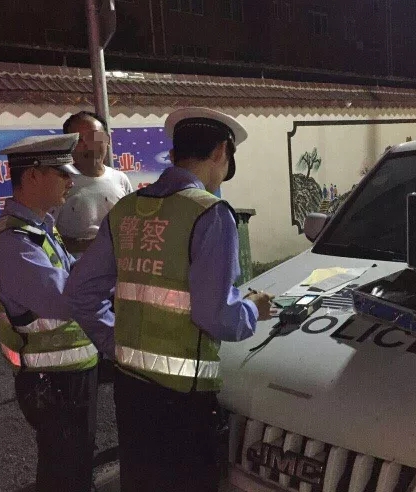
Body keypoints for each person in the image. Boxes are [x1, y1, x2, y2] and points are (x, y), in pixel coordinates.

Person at [65, 107, 274, 492]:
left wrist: (114, 343)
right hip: (185, 399)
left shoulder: (126, 210)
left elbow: (79, 292)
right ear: (221, 152)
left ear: (174, 155)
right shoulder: (211, 214)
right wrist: (253, 309)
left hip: (131, 389)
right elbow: (217, 316)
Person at [0, 133, 115, 492]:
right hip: (54, 381)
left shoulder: (40, 228)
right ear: (32, 176)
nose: (70, 181)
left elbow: (73, 275)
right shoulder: (15, 244)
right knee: (64, 472)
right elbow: (69, 298)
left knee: (76, 462)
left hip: (71, 373)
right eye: (61, 173)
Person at [53, 111, 133, 257]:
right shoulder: (58, 182)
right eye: (78, 140)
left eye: (94, 137)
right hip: (78, 269)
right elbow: (47, 237)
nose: (87, 145)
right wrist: (91, 244)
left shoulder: (120, 179)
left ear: (108, 140)